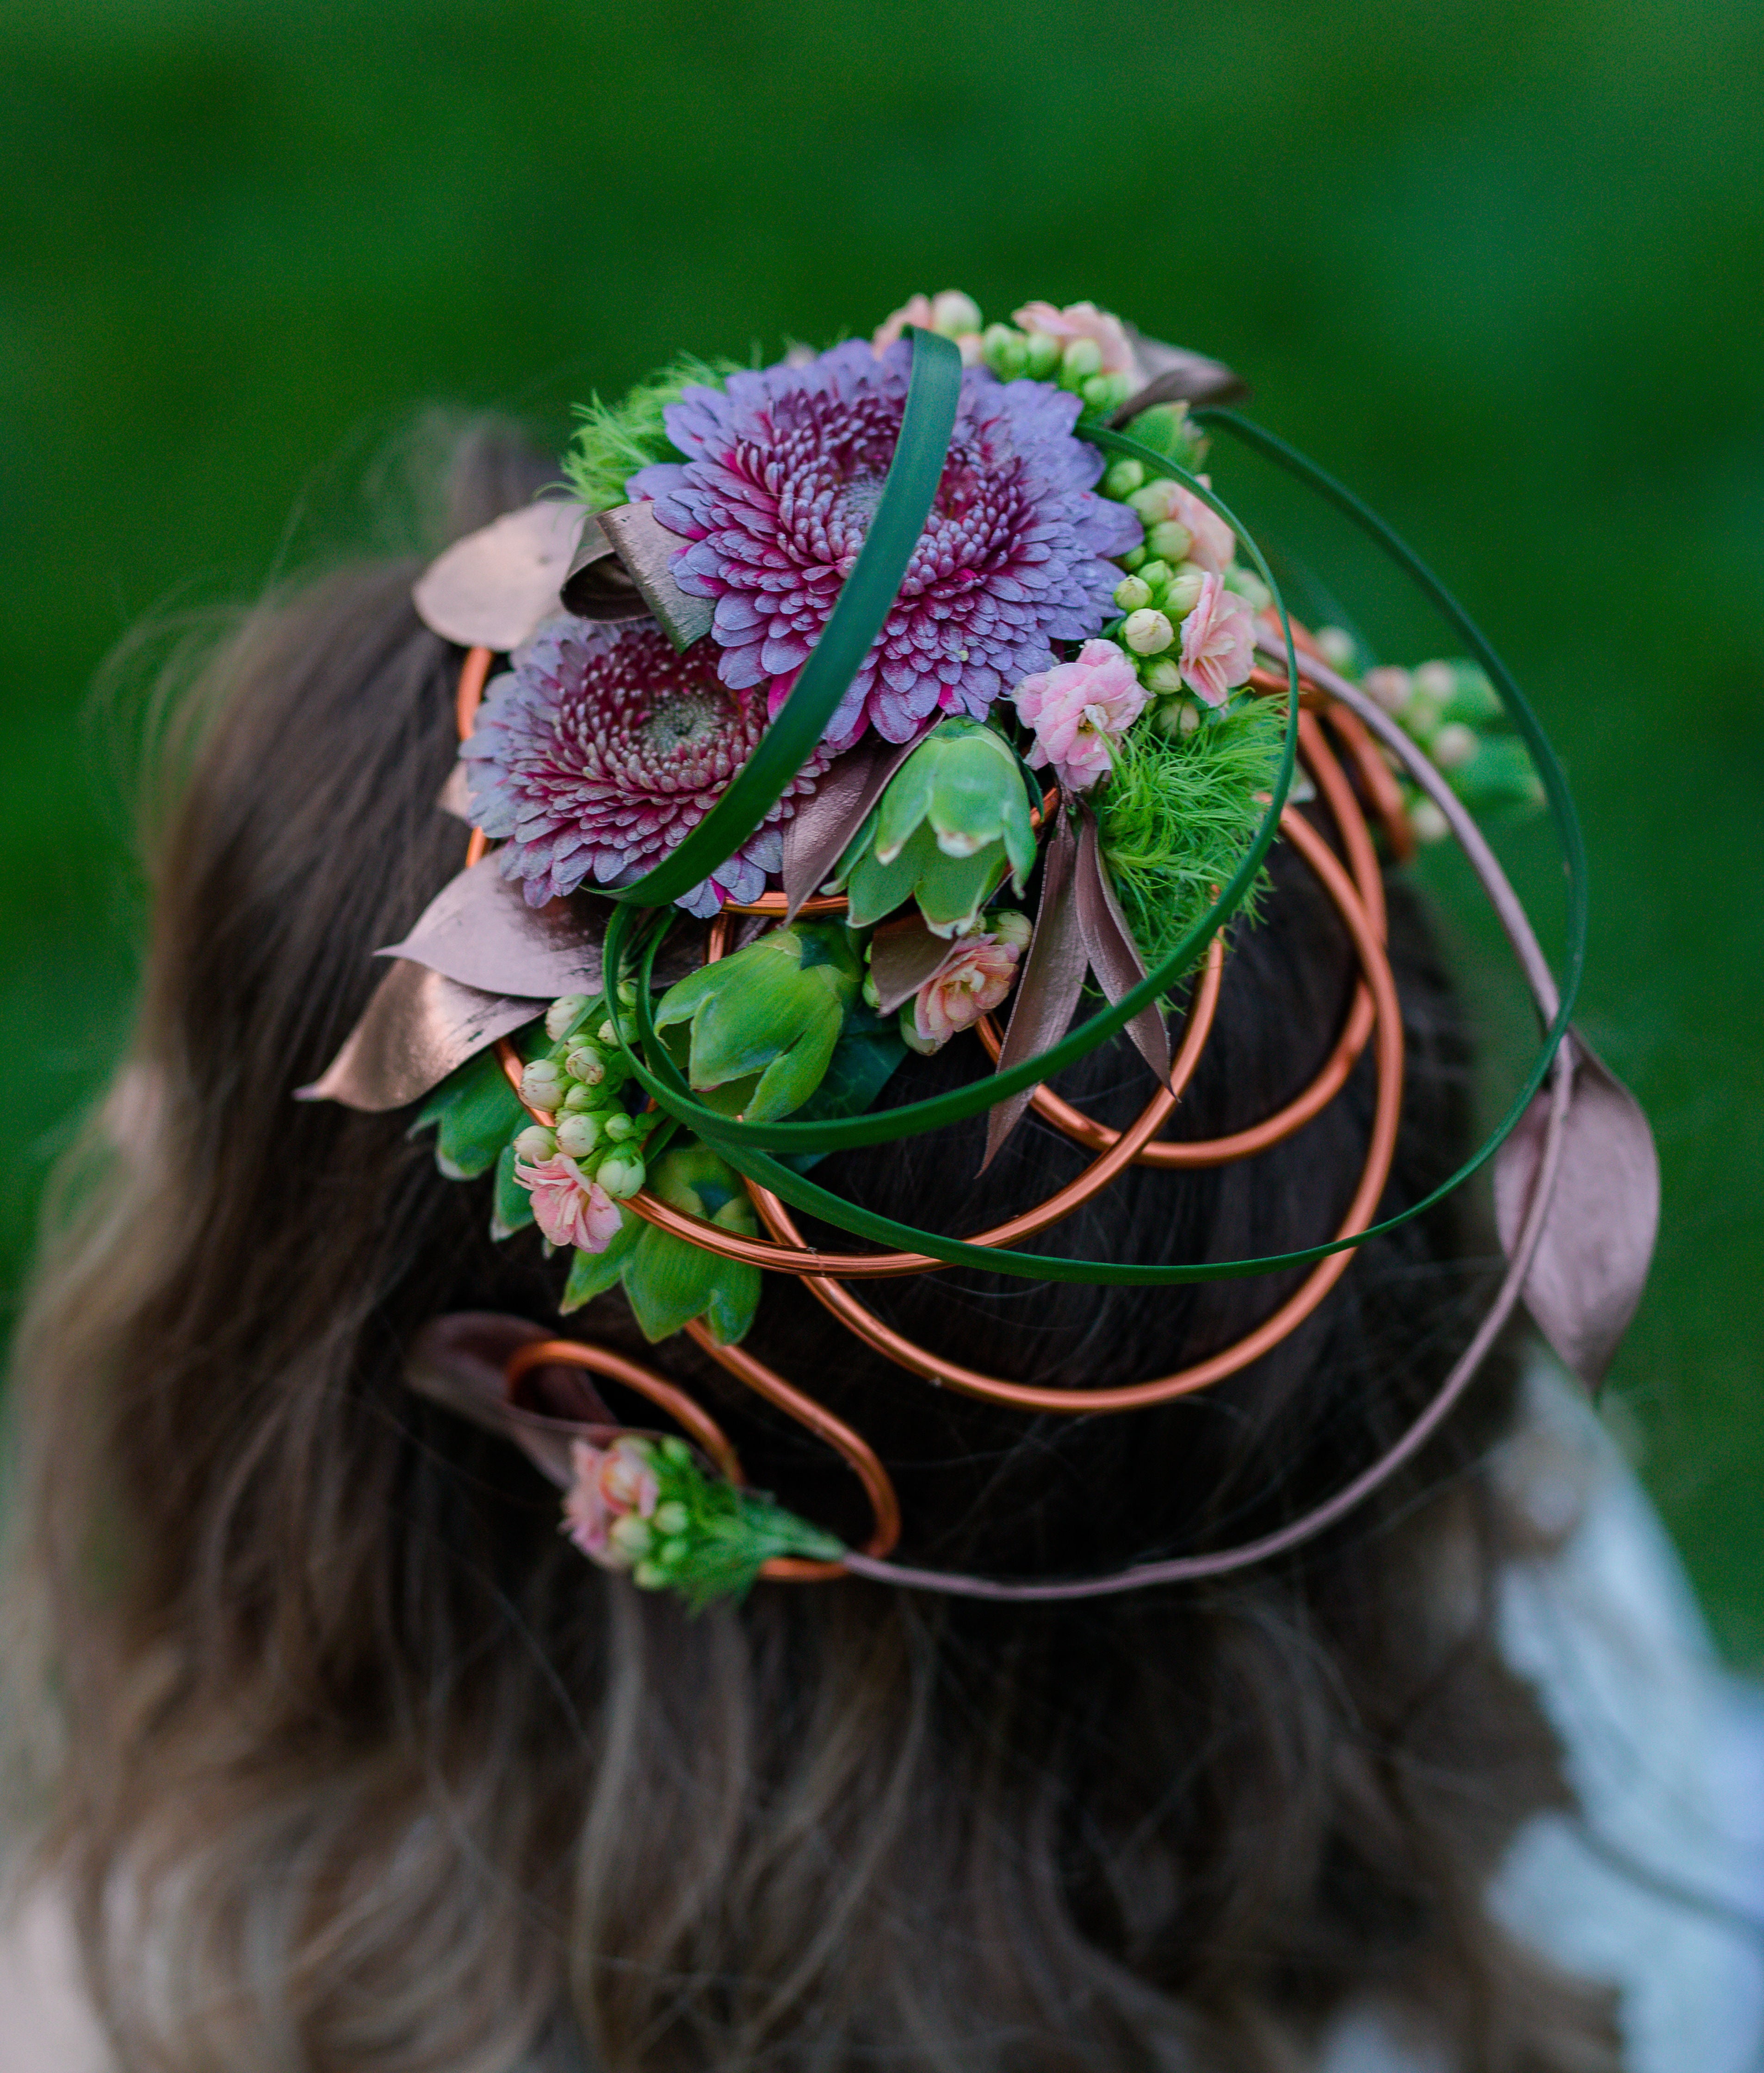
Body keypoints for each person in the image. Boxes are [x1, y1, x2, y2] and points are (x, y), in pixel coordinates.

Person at [2, 384, 1758, 2073]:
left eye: (186, 1078)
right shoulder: (1566, 1674)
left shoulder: (159, 2000)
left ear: (560, 1433)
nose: (135, 1107)